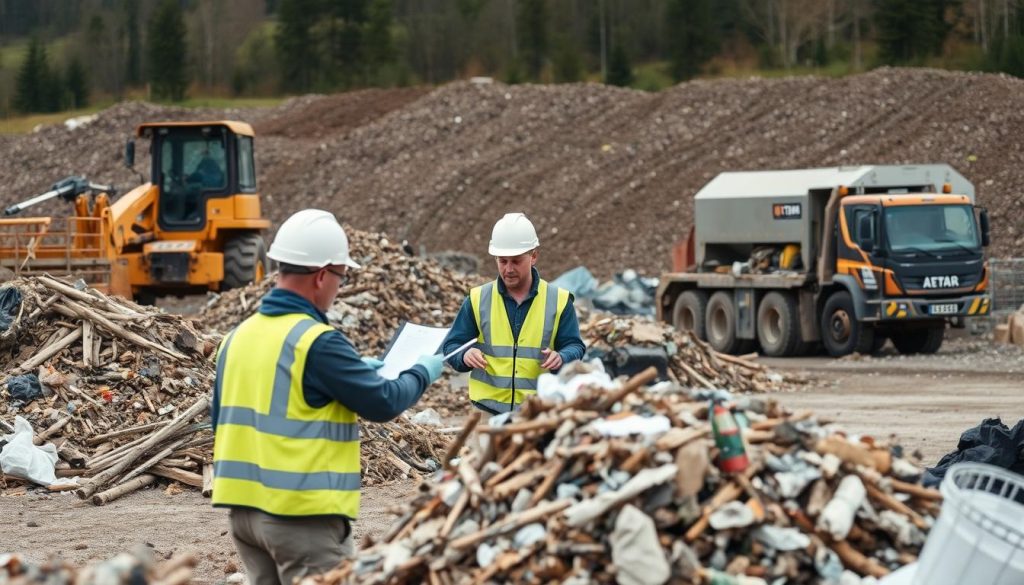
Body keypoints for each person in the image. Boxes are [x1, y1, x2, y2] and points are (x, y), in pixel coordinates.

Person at [210, 209, 445, 585]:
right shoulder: (316, 342)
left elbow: (223, 419)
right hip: (300, 519)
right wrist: (421, 372)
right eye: (341, 276)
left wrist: (348, 372)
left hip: (244, 515)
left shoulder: (236, 338)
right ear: (322, 275)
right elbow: (383, 402)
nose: (339, 286)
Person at [441, 212, 585, 414]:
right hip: (487, 412)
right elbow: (451, 346)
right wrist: (465, 355)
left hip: (539, 412)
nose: (508, 269)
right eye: (502, 261)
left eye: (516, 261)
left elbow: (575, 346)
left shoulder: (559, 300)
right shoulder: (478, 299)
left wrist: (562, 357)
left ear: (533, 256)